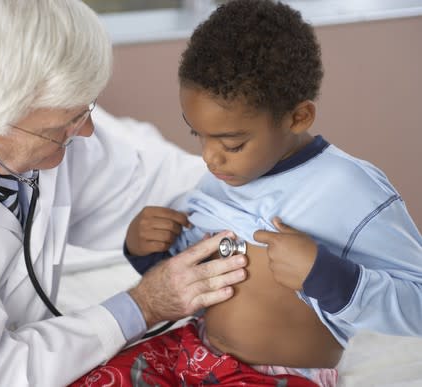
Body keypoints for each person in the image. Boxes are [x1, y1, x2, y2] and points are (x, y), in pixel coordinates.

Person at [0, 1, 251, 386]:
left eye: (84, 111)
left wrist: (273, 188)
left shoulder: (40, 117)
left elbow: (171, 181)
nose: (86, 132)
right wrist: (143, 305)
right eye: (64, 127)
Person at [72, 1, 422, 386]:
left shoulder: (352, 191)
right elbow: (194, 278)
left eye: (232, 143)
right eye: (198, 135)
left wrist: (329, 276)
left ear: (298, 117)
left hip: (277, 374)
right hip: (191, 349)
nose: (209, 157)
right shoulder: (221, 180)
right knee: (86, 376)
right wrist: (148, 251)